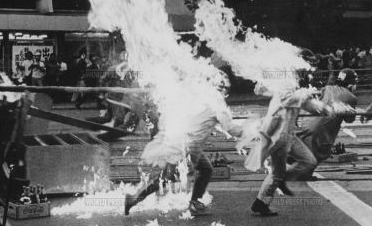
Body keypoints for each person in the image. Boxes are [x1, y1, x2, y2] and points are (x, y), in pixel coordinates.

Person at [126, 95, 243, 217]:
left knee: (205, 169)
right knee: (167, 177)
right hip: (189, 148)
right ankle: (134, 199)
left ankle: (194, 202)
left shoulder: (203, 99)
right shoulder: (217, 106)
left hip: (183, 141)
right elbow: (232, 129)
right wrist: (251, 131)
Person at [246, 72, 333, 217]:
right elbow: (286, 99)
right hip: (275, 136)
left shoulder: (296, 88)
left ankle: (265, 198)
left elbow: (307, 104)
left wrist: (327, 110)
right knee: (280, 172)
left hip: (288, 136)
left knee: (308, 162)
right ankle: (262, 201)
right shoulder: (285, 84)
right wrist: (305, 92)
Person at [296, 69, 359, 173]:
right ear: (351, 85)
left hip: (306, 122)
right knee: (316, 155)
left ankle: (300, 172)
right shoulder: (351, 97)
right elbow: (349, 120)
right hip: (321, 129)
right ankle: (300, 174)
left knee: (305, 152)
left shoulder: (327, 88)